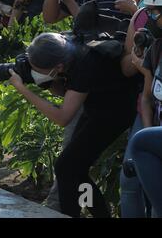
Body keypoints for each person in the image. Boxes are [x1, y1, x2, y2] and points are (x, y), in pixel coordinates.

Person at [8, 32, 137, 217]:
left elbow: (62, 117)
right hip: (96, 105)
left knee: (66, 168)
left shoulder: (84, 65)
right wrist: (44, 82)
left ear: (58, 66)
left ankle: (77, 214)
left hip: (114, 112)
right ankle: (98, 214)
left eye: (38, 69)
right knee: (74, 169)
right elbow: (67, 93)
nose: (34, 71)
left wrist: (22, 89)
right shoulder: (68, 51)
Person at [127, 0, 162, 218]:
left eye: (155, 12)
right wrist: (149, 132)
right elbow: (148, 97)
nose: (150, 19)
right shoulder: (157, 48)